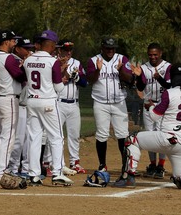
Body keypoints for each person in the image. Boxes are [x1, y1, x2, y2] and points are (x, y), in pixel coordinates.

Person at [113, 63, 181, 191]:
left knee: (132, 139)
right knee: (180, 179)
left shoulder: (170, 93)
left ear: (173, 78)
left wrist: (151, 106)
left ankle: (128, 177)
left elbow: (154, 116)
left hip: (168, 139)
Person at [22, 30, 74, 186]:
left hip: (32, 101)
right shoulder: (53, 62)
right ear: (50, 45)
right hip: (48, 102)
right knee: (56, 137)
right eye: (54, 46)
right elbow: (58, 87)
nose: (55, 49)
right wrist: (62, 73)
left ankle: (33, 174)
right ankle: (57, 172)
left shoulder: (28, 60)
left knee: (34, 137)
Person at [86, 36, 133, 172]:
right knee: (101, 134)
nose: (110, 51)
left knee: (122, 134)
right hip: (100, 102)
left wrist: (121, 70)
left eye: (112, 48)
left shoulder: (122, 59)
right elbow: (90, 80)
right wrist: (97, 70)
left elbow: (129, 78)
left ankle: (125, 165)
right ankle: (102, 165)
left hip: (119, 102)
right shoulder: (93, 60)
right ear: (102, 48)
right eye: (107, 48)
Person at [0, 30, 26, 184]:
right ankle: (0, 173)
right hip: (8, 98)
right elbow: (21, 76)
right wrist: (23, 67)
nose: (14, 43)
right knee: (8, 137)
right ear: (6, 41)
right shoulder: (8, 58)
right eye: (12, 40)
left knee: (0, 136)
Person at [131, 43, 171, 179]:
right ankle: (152, 164)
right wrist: (137, 76)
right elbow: (141, 88)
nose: (153, 57)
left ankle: (161, 165)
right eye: (150, 54)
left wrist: (159, 77)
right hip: (148, 104)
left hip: (162, 104)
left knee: (162, 135)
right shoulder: (143, 67)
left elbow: (169, 85)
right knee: (149, 135)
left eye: (155, 54)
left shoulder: (167, 66)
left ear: (160, 53)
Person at [56, 39, 88, 173]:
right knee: (57, 135)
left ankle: (74, 162)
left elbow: (85, 83)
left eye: (70, 50)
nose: (68, 52)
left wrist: (76, 78)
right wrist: (65, 75)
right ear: (59, 50)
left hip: (74, 103)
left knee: (74, 135)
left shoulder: (77, 63)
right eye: (65, 49)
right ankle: (53, 163)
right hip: (58, 102)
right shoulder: (53, 62)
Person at [4, 37, 34, 178]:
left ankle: (26, 168)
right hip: (19, 103)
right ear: (17, 48)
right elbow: (19, 77)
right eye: (26, 48)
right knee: (19, 139)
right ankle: (13, 167)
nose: (29, 51)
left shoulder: (28, 61)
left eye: (30, 48)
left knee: (29, 139)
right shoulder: (12, 60)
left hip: (31, 104)